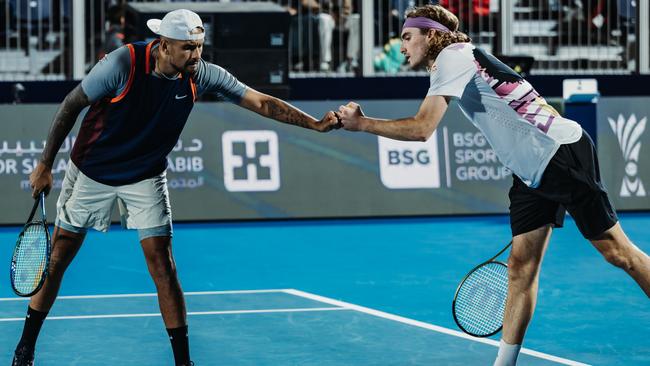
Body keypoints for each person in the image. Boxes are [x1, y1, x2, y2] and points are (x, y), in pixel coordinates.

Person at [12, 8, 339, 366]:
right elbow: (71, 105)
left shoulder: (202, 74)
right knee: (58, 259)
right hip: (92, 172)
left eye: (199, 46)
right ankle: (25, 348)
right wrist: (45, 165)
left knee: (163, 265)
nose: (196, 55)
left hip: (146, 175)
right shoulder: (122, 64)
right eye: (188, 47)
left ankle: (183, 362)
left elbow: (261, 102)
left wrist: (317, 125)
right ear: (164, 45)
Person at [336, 4, 650, 366]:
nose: (402, 46)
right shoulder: (457, 57)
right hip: (530, 171)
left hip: (559, 155)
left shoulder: (451, 57)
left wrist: (362, 124)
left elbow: (422, 129)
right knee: (521, 266)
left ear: (432, 35)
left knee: (618, 253)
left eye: (408, 37)